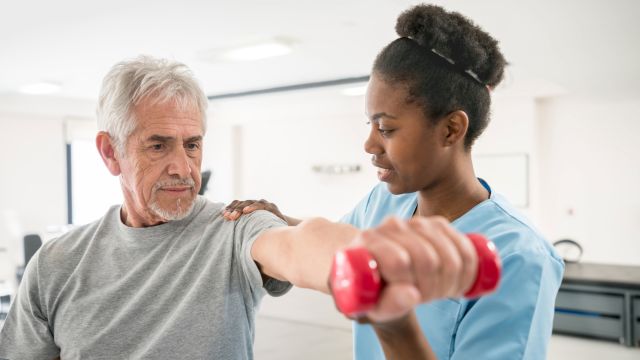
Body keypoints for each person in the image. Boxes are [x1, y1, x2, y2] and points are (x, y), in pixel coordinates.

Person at [0, 55, 481, 360]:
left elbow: (300, 246)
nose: (182, 167)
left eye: (192, 145)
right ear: (110, 152)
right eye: (158, 146)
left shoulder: (233, 226)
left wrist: (374, 260)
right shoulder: (57, 265)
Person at [223, 4, 565, 360]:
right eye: (369, 125)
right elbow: (337, 242)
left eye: (386, 129)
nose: (369, 145)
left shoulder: (518, 257)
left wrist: (393, 322)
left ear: (451, 129)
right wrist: (280, 220)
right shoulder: (383, 202)